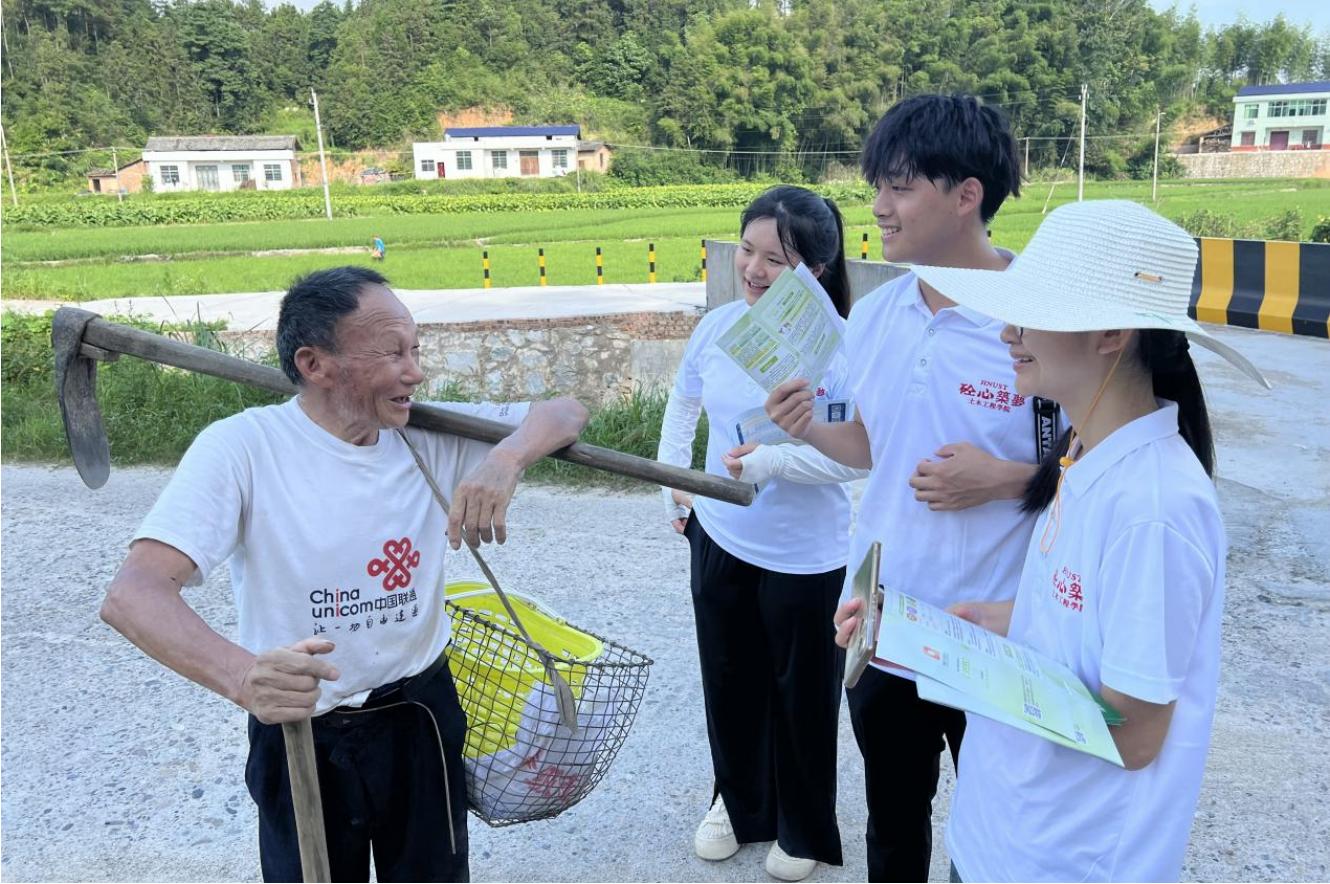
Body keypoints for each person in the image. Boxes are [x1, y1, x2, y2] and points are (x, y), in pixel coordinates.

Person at [99, 266, 589, 883]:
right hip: (301, 729)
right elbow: (134, 594)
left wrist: (506, 458)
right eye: (391, 352)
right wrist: (244, 677)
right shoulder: (244, 448)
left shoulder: (425, 434)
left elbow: (566, 411)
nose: (414, 372)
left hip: (420, 713)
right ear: (315, 364)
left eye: (415, 350)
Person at [853, 199, 1267, 881]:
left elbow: (1133, 734)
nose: (1008, 331)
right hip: (1001, 834)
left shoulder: (1154, 507)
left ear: (1111, 333)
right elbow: (1069, 629)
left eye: (1030, 312)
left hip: (1067, 858)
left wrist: (981, 675)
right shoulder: (1083, 457)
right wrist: (914, 630)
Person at [764, 94, 1043, 883]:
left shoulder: (1037, 321)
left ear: (966, 196)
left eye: (900, 187)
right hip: (885, 624)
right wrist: (805, 425)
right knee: (892, 825)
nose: (879, 207)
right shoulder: (877, 315)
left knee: (1001, 836)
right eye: (877, 186)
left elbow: (1097, 468)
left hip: (1000, 630)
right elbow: (869, 445)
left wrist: (1008, 478)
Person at [656, 185, 864, 882]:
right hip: (719, 533)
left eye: (775, 259)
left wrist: (775, 464)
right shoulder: (719, 327)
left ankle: (803, 826)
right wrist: (673, 479)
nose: (752, 269)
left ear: (816, 271)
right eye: (746, 250)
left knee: (802, 696)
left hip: (806, 555)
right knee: (729, 681)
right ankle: (737, 803)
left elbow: (857, 457)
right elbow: (685, 398)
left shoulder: (840, 352)